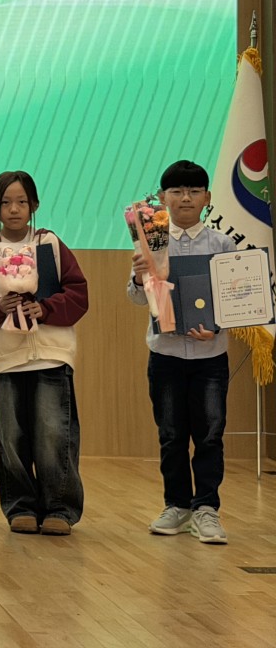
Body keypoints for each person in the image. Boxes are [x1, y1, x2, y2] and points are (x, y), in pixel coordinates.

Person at [0, 171, 89, 535]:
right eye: (6, 202)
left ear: (34, 205)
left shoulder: (50, 245)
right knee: (12, 436)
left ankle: (59, 508)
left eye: (21, 202)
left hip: (51, 355)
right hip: (8, 360)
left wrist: (45, 309)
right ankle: (20, 506)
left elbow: (78, 295)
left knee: (53, 433)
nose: (14, 209)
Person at [128, 161, 235, 544]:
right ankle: (177, 505)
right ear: (162, 198)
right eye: (176, 191)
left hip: (210, 358)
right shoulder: (150, 242)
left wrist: (216, 326)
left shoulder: (222, 245)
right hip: (166, 356)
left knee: (209, 436)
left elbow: (234, 300)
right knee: (171, 435)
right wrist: (140, 274)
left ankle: (206, 509)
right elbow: (136, 298)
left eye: (194, 191)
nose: (185, 198)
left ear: (207, 198)